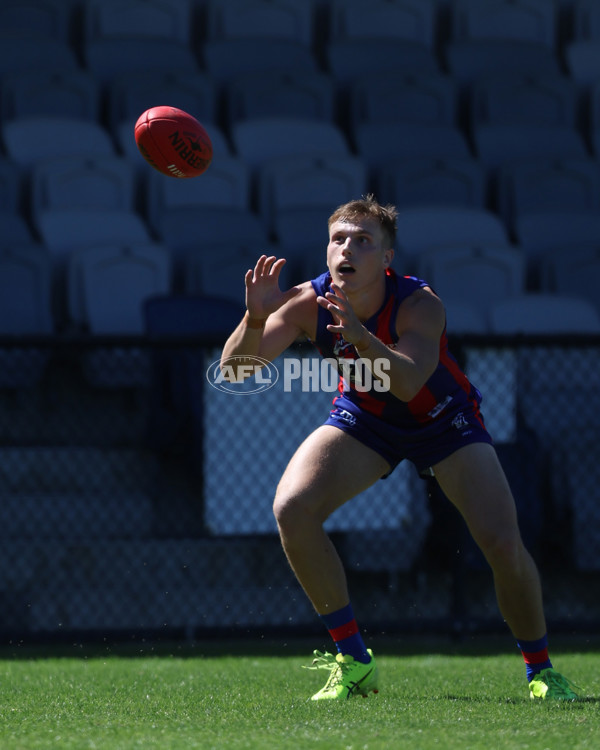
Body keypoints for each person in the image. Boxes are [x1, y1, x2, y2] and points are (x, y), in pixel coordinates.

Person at [220, 195, 578, 702]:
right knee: (292, 510)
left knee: (502, 543)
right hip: (367, 420)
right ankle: (355, 661)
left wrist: (363, 338)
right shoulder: (307, 302)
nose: (348, 248)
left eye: (363, 241)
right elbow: (235, 372)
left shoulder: (419, 303)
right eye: (339, 239)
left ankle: (541, 670)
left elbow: (408, 384)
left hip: (443, 420)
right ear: (327, 252)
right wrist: (255, 318)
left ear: (386, 259)